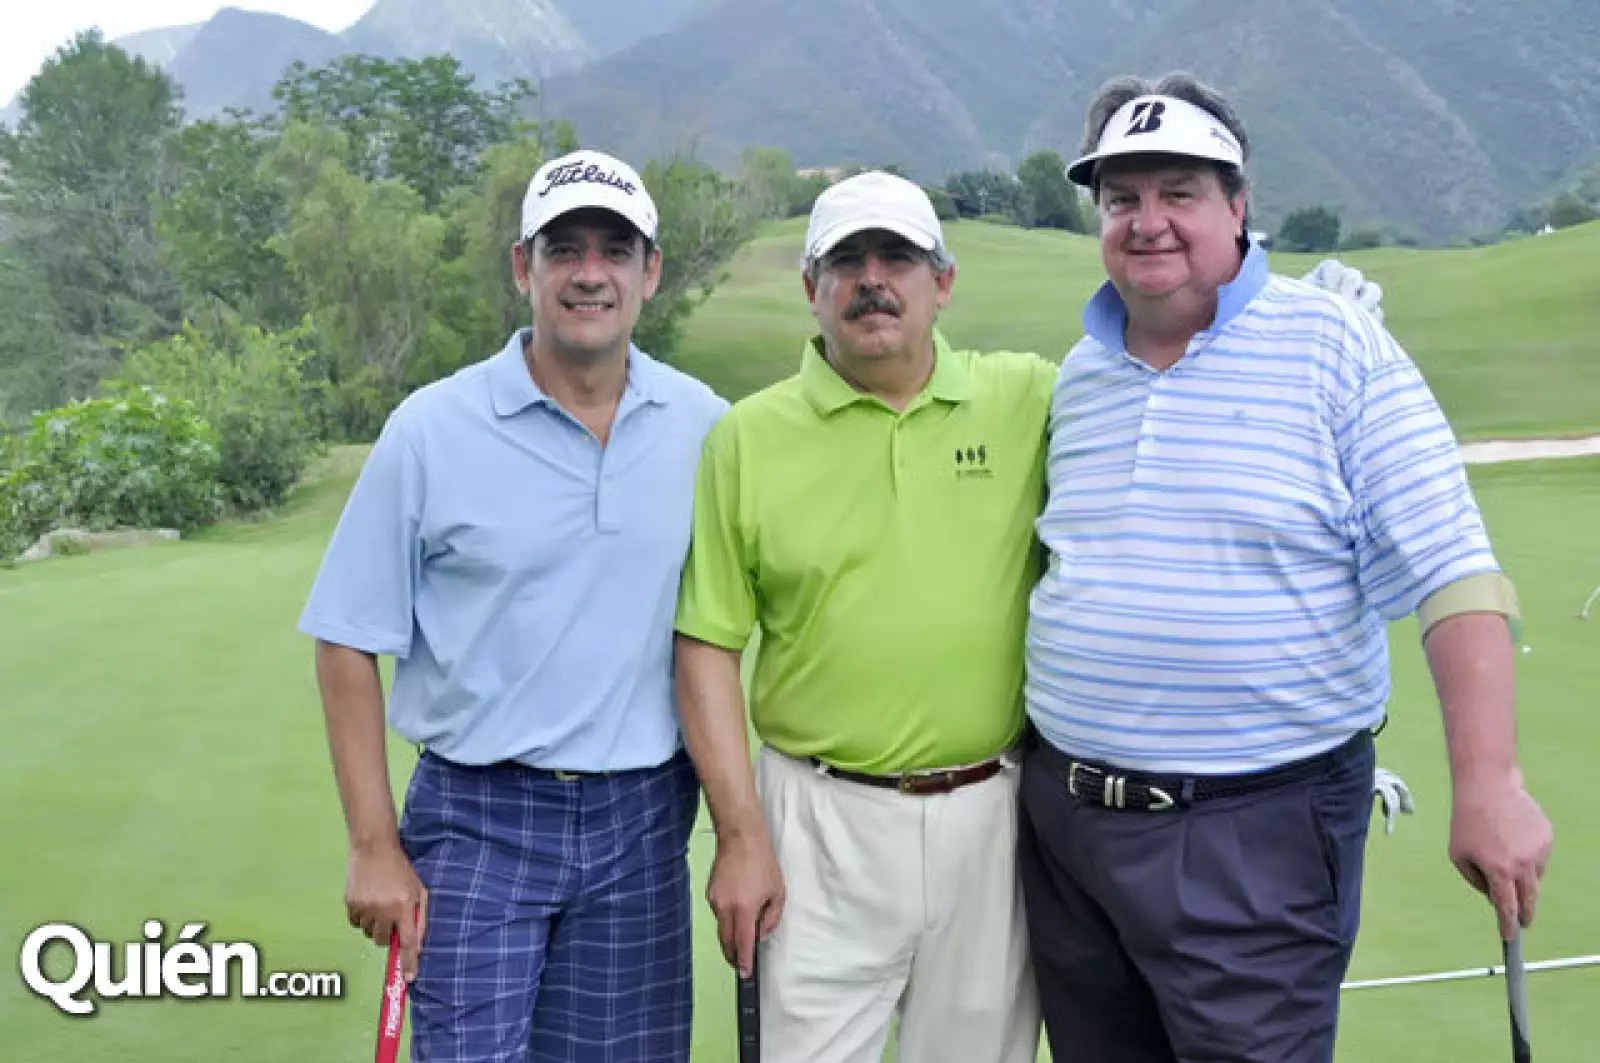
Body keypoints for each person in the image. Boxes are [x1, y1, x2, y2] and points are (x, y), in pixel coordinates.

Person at [1019, 72, 1554, 1063]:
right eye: (1121, 197)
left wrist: (1490, 782)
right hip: (1066, 832)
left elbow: (1454, 570)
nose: (1147, 222)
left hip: (1248, 833)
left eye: (1178, 191)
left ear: (1237, 202)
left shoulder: (1335, 345)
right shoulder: (1084, 371)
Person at [297, 148, 727, 1062]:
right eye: (562, 247)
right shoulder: (431, 428)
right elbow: (345, 640)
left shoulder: (708, 428)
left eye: (615, 249)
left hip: (643, 824)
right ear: (521, 266)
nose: (588, 272)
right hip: (475, 820)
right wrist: (373, 843)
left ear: (650, 272)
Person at [672, 170, 1050, 1063]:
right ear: (813, 289)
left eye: (897, 258)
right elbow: (706, 652)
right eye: (846, 261)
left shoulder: (1029, 399)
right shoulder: (747, 437)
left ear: (942, 282)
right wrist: (739, 838)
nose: (871, 279)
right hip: (815, 823)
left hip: (990, 817)